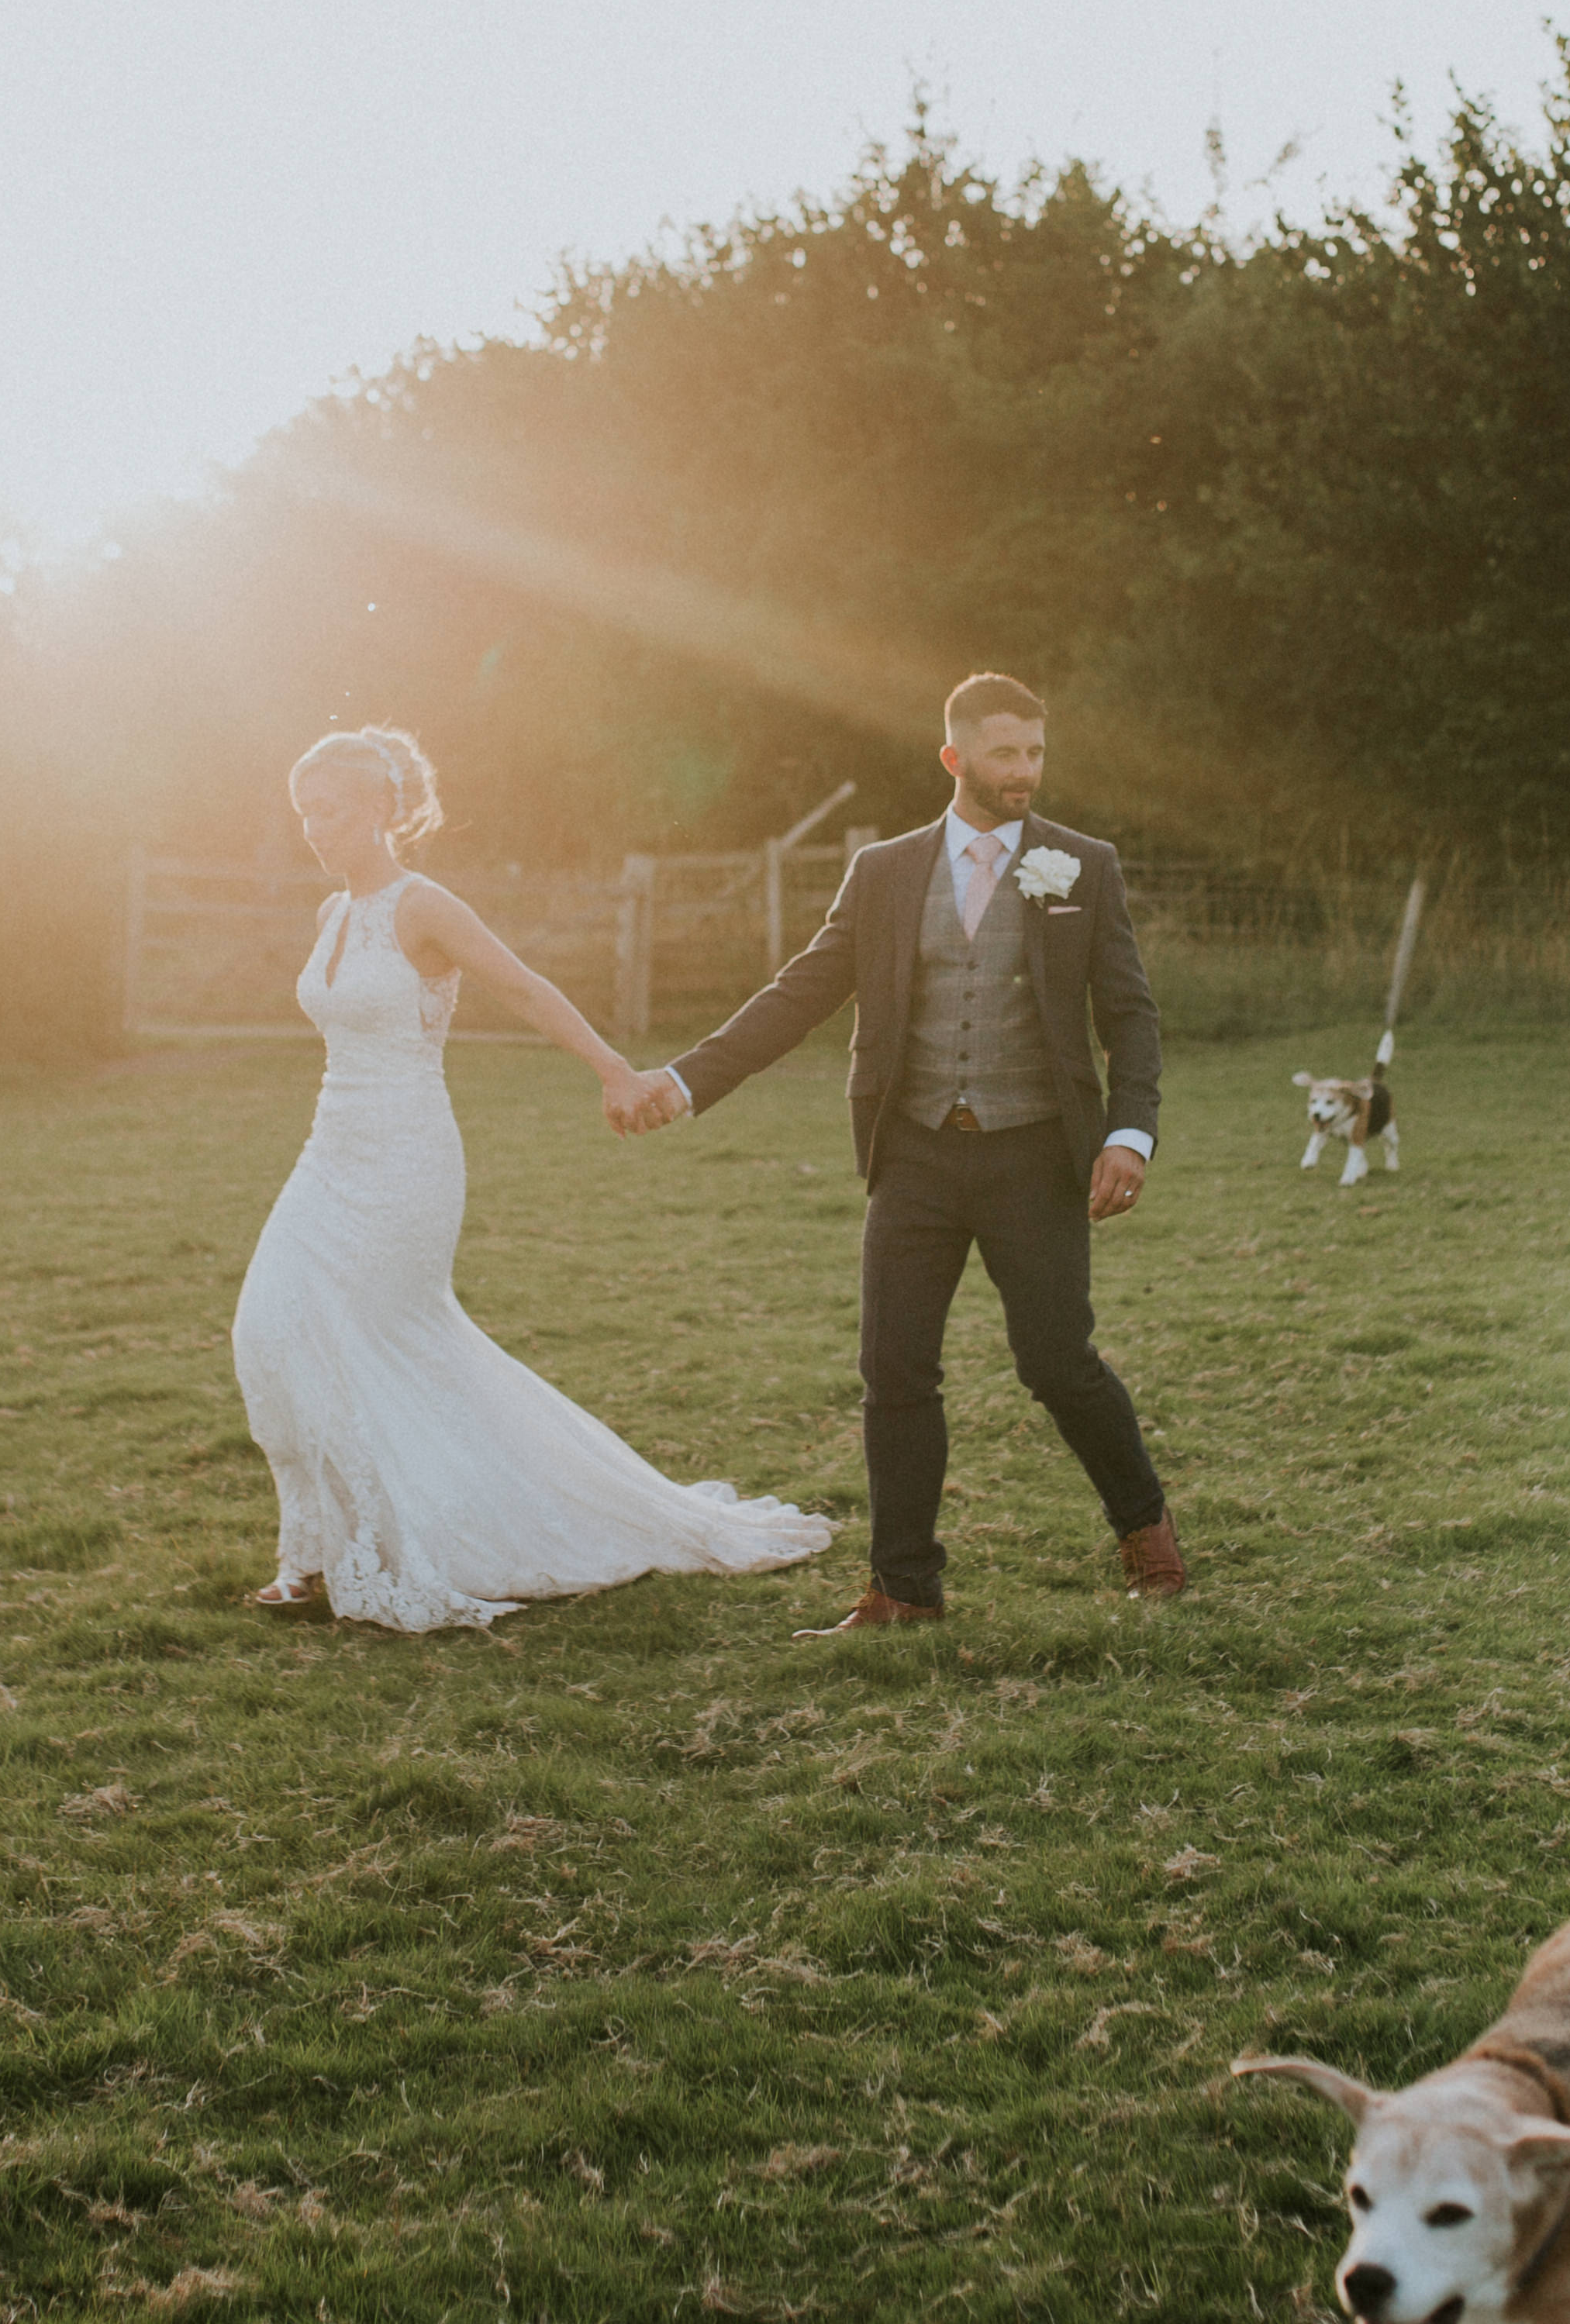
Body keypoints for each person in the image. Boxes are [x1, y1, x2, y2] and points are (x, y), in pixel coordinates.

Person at [616, 674, 1182, 1633]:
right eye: (1006, 753)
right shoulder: (884, 872)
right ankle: (905, 1590)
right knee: (895, 1370)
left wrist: (1129, 1132)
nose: (1025, 772)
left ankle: (1146, 1527)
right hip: (914, 1153)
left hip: (1035, 1155)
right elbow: (800, 992)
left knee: (1055, 1360)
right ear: (955, 758)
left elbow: (1128, 1013)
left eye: (1036, 752)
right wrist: (686, 1078)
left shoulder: (1081, 865)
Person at [230, 726, 829, 1631]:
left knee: (374, 1341)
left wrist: (613, 1069)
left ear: (385, 808)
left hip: (406, 1157)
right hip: (329, 1151)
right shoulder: (330, 916)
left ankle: (345, 1558)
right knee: (271, 1322)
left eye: (334, 809)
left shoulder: (422, 904)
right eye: (305, 812)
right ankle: (310, 1550)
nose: (316, 828)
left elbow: (524, 987)